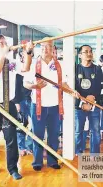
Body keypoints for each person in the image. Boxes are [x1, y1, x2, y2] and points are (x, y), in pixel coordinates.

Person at [0, 34, 33, 179]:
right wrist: (4, 54)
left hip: (7, 104)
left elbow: (26, 68)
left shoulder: (11, 61)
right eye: (1, 43)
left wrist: (28, 52)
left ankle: (13, 168)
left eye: (5, 42)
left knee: (11, 140)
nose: (5, 45)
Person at [24, 38, 78, 171]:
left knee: (54, 135)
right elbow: (25, 83)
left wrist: (72, 91)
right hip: (38, 106)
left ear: (54, 49)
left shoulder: (59, 65)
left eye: (48, 46)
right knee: (38, 135)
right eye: (42, 47)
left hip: (55, 106)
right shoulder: (33, 64)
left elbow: (63, 84)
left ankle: (53, 160)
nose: (45, 49)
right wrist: (35, 86)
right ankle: (37, 162)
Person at [75, 45, 103, 154]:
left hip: (94, 104)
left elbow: (99, 87)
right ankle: (78, 152)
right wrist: (83, 102)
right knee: (78, 131)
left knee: (95, 131)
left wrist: (92, 98)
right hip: (79, 105)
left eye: (90, 51)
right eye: (86, 52)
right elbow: (74, 87)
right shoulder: (76, 68)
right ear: (80, 55)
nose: (89, 53)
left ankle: (95, 154)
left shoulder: (97, 69)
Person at [16, 48, 33, 156]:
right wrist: (16, 102)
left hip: (32, 99)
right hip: (20, 100)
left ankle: (29, 145)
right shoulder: (16, 67)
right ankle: (21, 147)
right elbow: (14, 87)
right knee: (22, 123)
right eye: (24, 53)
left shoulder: (34, 65)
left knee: (35, 124)